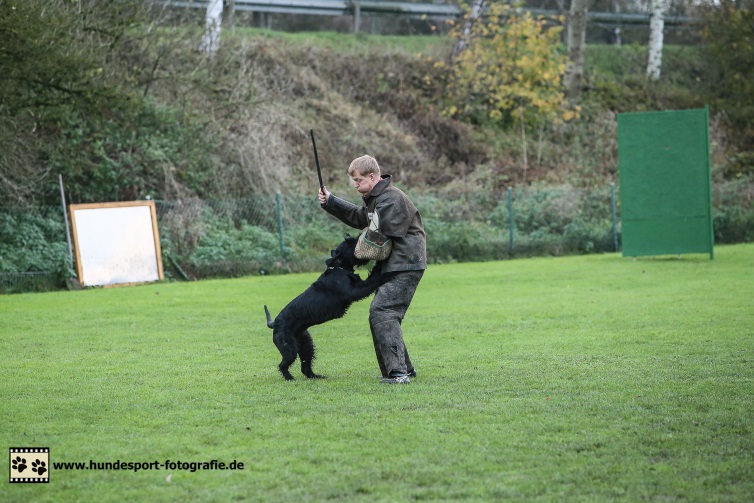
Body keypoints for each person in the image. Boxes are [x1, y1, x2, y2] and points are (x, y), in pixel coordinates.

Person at [318, 155, 426, 384]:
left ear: (372, 176)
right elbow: (361, 217)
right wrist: (331, 201)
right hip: (394, 264)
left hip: (406, 263)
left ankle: (398, 374)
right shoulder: (377, 198)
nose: (355, 185)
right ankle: (401, 369)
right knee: (382, 313)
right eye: (353, 181)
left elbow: (378, 236)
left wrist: (350, 255)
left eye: (358, 180)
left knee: (384, 311)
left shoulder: (391, 199)